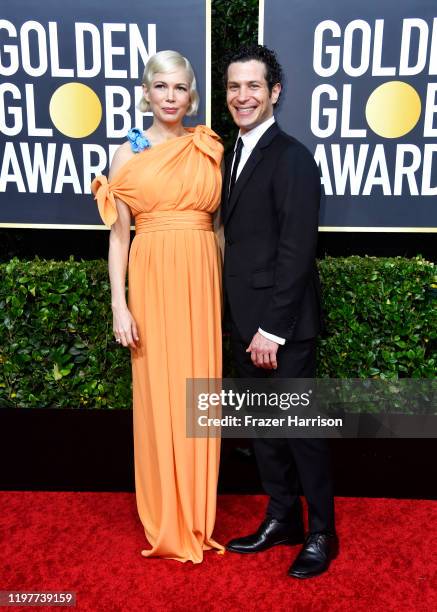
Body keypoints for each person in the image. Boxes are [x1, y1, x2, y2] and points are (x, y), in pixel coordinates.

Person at [91, 50, 224, 563]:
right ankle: (168, 516)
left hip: (202, 278)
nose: (171, 98)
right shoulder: (126, 155)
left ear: (192, 95)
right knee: (159, 393)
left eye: (180, 89)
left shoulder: (207, 145)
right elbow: (119, 239)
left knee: (199, 392)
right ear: (146, 93)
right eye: (161, 88)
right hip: (152, 276)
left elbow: (219, 228)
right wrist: (119, 305)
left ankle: (197, 512)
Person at [221, 44, 338, 578]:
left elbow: (297, 249)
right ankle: (282, 518)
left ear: (275, 92)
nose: (242, 96)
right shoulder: (230, 154)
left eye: (253, 86)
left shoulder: (292, 156)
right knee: (265, 430)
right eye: (234, 87)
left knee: (301, 432)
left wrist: (273, 329)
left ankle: (321, 533)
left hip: (280, 328)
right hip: (243, 321)